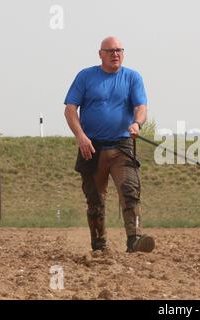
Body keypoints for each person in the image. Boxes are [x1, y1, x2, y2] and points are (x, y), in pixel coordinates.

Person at [64, 36, 154, 253]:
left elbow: (141, 106)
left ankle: (134, 240)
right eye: (111, 50)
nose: (116, 54)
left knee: (130, 191)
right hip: (91, 147)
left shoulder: (132, 77)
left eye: (119, 50)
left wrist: (137, 124)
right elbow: (70, 109)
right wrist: (81, 137)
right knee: (95, 199)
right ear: (100, 54)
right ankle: (99, 244)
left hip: (122, 146)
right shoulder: (86, 77)